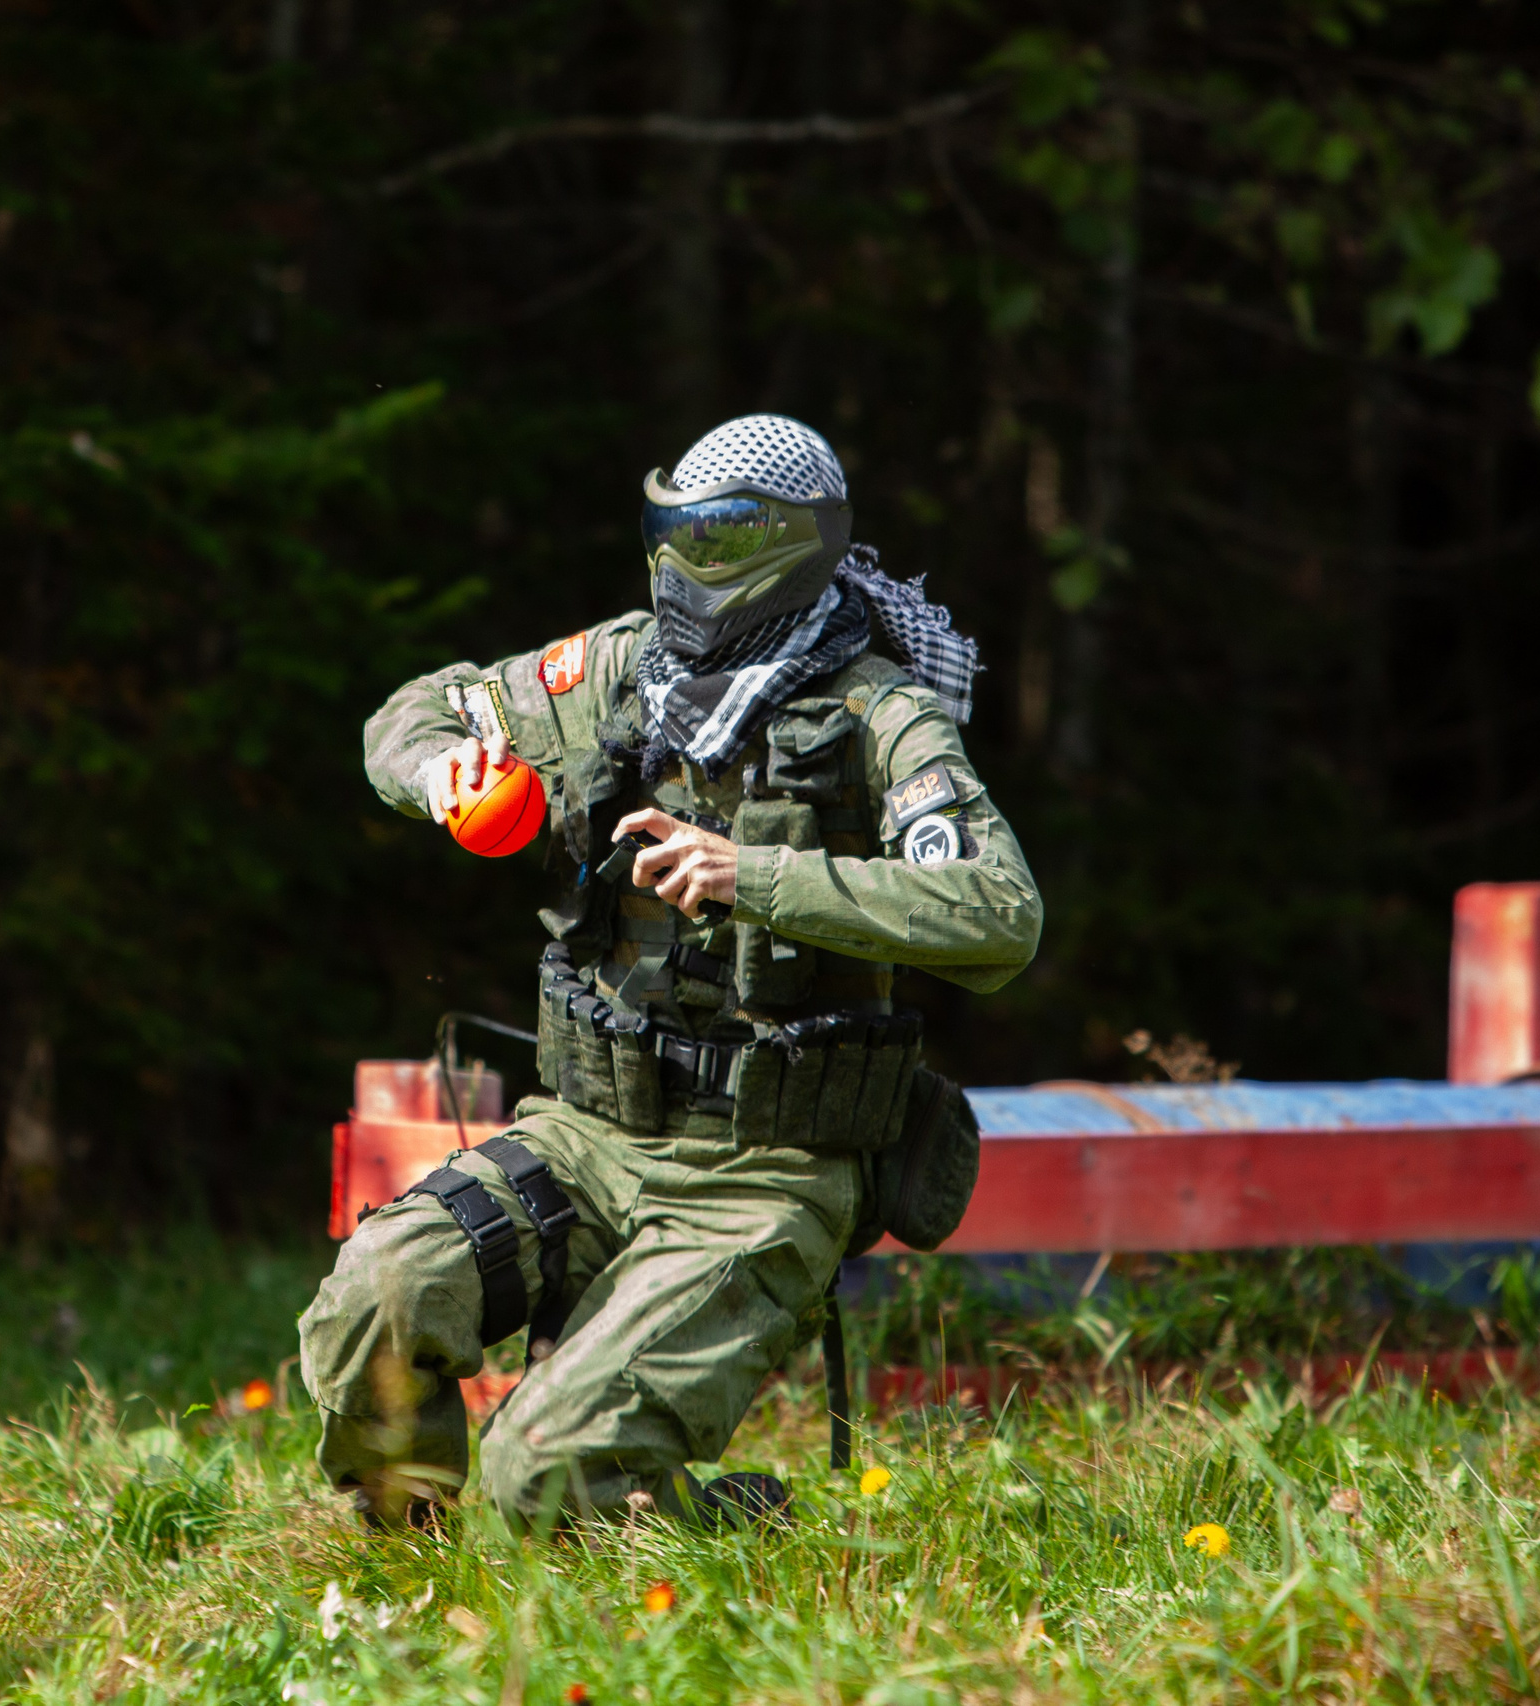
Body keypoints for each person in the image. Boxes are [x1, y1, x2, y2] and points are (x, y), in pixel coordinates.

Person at [299, 413, 1042, 1530]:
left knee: (539, 1475)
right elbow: (410, 711)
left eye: (720, 535)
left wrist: (756, 874)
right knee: (379, 1294)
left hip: (763, 1176)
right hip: (586, 1134)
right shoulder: (616, 668)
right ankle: (408, 1562)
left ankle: (744, 1529)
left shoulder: (879, 714)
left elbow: (1001, 913)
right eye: (673, 531)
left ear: (790, 543)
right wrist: (439, 766)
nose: (682, 564)